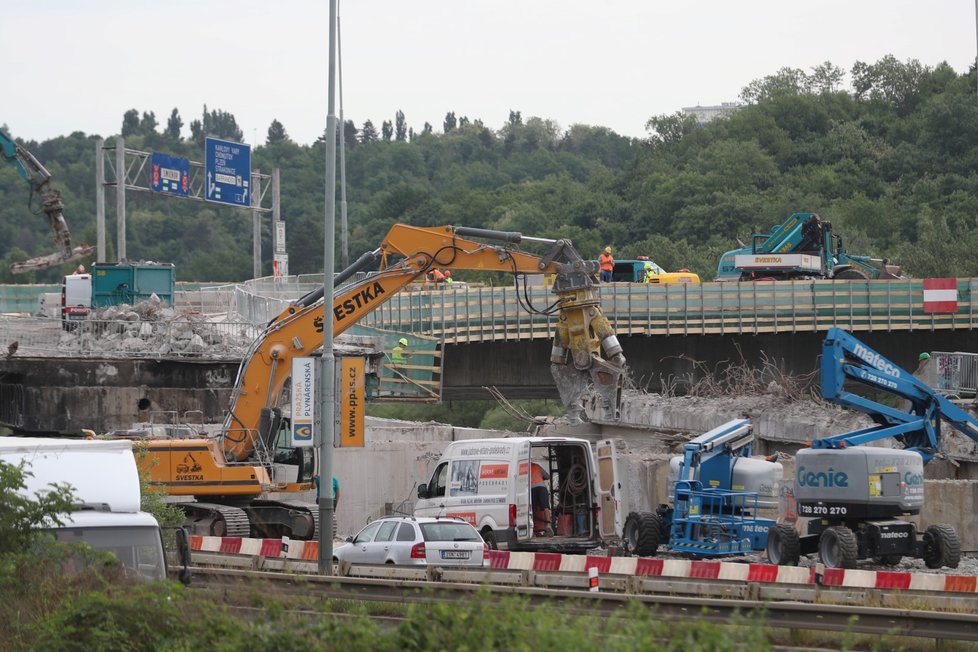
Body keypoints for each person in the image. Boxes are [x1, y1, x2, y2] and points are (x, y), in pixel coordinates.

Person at [530, 462, 553, 537]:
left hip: (532, 489)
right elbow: (547, 476)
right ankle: (548, 526)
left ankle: (532, 529)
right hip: (542, 488)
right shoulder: (537, 466)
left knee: (532, 509)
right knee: (546, 507)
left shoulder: (523, 465)